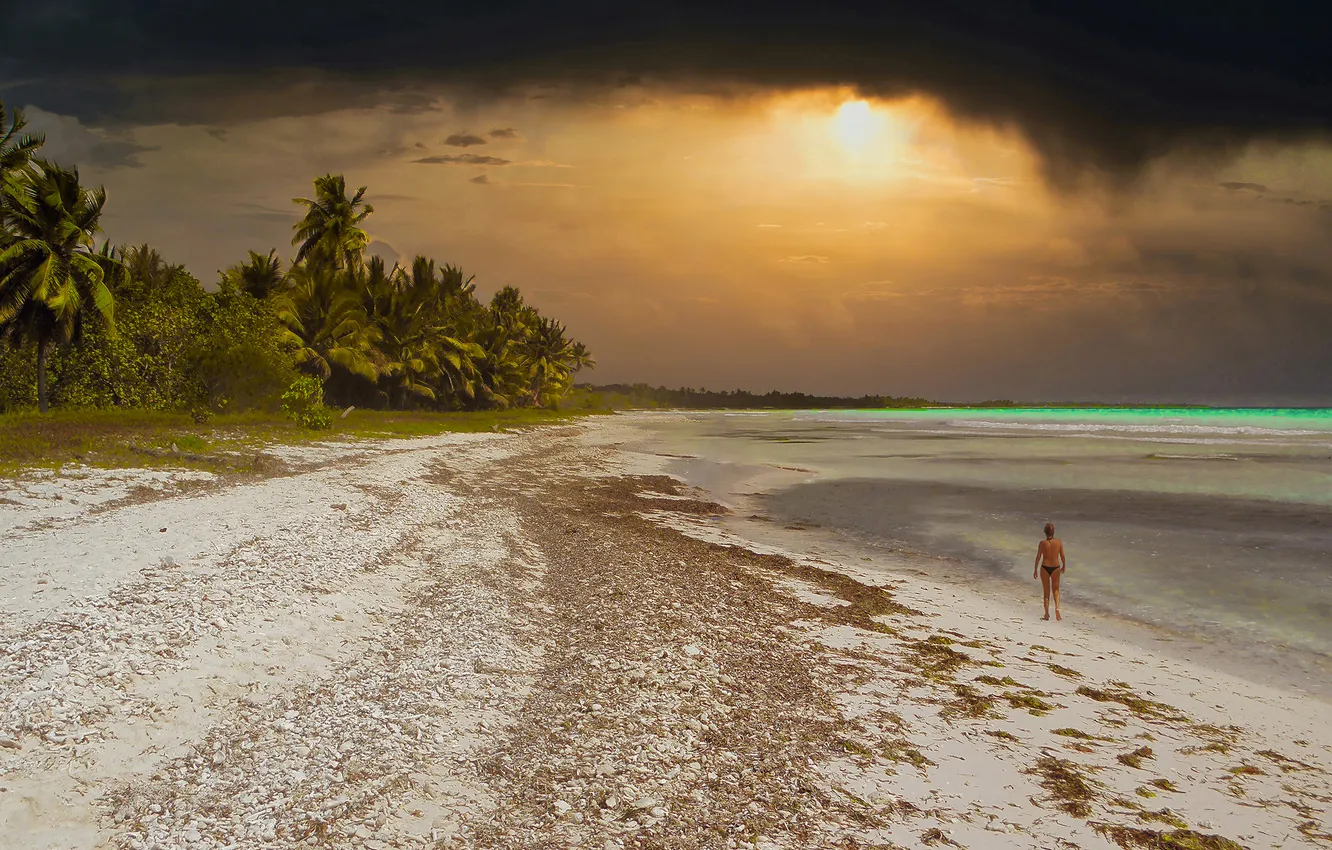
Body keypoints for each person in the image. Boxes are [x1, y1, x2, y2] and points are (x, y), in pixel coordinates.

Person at [1033, 522, 1066, 621]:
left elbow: (1038, 557)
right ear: (1053, 532)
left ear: (1045, 532)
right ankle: (1056, 608)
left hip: (1045, 567)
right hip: (1055, 567)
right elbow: (1062, 556)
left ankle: (1046, 614)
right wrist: (1064, 565)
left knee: (1046, 592)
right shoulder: (1058, 542)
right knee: (1056, 590)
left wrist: (1035, 569)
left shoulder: (1042, 543)